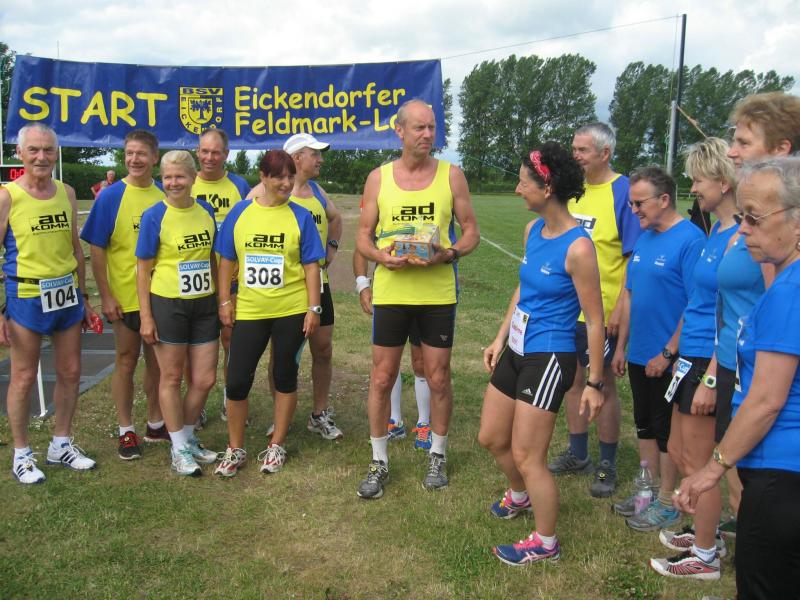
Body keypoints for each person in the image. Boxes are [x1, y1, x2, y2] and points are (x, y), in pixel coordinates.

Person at [675, 157, 800, 599]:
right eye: (742, 216)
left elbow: (766, 400)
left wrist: (712, 469)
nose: (743, 229)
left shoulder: (789, 291)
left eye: (755, 218)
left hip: (780, 473)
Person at [478, 142, 605, 565]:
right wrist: (499, 338)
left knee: (528, 456)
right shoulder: (533, 231)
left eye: (523, 182)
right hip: (517, 347)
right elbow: (524, 288)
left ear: (547, 188)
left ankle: (545, 542)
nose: (517, 189)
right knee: (491, 437)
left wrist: (594, 382)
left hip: (549, 356)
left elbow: (595, 319)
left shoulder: (579, 248)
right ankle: (521, 496)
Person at [354, 98, 480, 499]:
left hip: (437, 294)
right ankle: (378, 460)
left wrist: (450, 253)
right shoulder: (378, 178)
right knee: (381, 377)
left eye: (432, 128)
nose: (427, 135)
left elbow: (471, 231)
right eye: (419, 128)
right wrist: (381, 258)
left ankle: (437, 454)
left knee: (438, 377)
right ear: (400, 131)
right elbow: (363, 236)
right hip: (393, 292)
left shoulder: (451, 175)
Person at [647, 138, 739, 579]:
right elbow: (697, 301)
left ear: (724, 181)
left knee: (703, 463)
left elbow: (736, 314)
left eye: (699, 179)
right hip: (691, 354)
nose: (694, 187)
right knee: (683, 451)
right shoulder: (715, 230)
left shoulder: (740, 236)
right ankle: (709, 532)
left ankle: (704, 556)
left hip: (709, 362)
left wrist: (712, 377)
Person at [711, 91, 800, 539]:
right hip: (739, 363)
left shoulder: (781, 239)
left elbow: (777, 308)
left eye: (744, 142)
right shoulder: (759, 222)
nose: (732, 152)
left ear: (781, 149)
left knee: (757, 500)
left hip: (768, 394)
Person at [213, 150, 324, 477]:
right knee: (237, 380)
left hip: (291, 309)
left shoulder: (301, 216)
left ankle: (276, 445)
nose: (286, 183)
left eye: (290, 176)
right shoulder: (240, 212)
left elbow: (311, 266)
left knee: (285, 375)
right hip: (250, 310)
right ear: (262, 177)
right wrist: (224, 301)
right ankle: (235, 448)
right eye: (278, 177)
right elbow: (226, 260)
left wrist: (313, 307)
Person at [549, 123, 642, 498]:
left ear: (605, 153)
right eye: (574, 149)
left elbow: (634, 255)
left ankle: (607, 463)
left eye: (583, 150)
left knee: (602, 384)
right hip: (566, 310)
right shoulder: (573, 189)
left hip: (601, 312)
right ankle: (578, 453)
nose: (576, 156)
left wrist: (621, 306)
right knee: (572, 380)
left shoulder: (623, 191)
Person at [1, 123, 97, 483]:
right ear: (20, 153)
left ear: (56, 153)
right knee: (24, 375)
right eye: (34, 150)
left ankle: (61, 443)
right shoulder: (7, 196)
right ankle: (22, 454)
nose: (41, 157)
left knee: (70, 372)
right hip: (26, 296)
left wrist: (84, 297)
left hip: (66, 295)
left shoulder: (67, 193)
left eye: (48, 150)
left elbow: (76, 249)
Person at [610, 166, 705, 532]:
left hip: (669, 358)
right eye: (631, 204)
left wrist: (667, 353)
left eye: (639, 203)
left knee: (666, 431)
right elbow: (630, 296)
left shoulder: (691, 240)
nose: (634, 210)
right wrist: (621, 347)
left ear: (664, 199)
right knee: (644, 424)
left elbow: (696, 303)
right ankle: (646, 491)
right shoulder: (645, 238)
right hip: (638, 352)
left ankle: (667, 501)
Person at [247, 133, 343, 440]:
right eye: (315, 154)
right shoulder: (260, 192)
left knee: (323, 349)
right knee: (282, 355)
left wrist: (331, 249)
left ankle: (319, 413)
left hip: (319, 285)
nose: (320, 160)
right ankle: (281, 416)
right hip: (284, 289)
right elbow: (244, 228)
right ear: (297, 158)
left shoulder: (317, 191)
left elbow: (335, 218)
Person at [81, 129, 166, 460]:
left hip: (160, 297)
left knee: (158, 364)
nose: (134, 159)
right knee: (126, 361)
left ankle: (156, 423)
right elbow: (97, 249)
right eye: (129, 153)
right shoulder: (111, 196)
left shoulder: (164, 194)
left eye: (141, 153)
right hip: (125, 297)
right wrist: (106, 295)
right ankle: (126, 430)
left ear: (154, 158)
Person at [135, 150, 220, 476]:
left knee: (205, 379)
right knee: (170, 377)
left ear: (193, 177)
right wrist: (146, 316)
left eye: (180, 176)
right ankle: (179, 447)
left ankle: (185, 437)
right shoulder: (154, 216)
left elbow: (210, 257)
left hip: (204, 304)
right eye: (167, 177)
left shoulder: (206, 210)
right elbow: (143, 270)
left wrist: (220, 298)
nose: (173, 183)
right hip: (168, 303)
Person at [191, 128, 250, 425]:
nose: (209, 157)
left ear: (226, 154)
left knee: (231, 342)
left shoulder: (239, 185)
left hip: (233, 278)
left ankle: (231, 400)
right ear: (197, 152)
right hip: (196, 279)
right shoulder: (185, 182)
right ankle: (197, 404)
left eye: (216, 152)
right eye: (205, 151)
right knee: (196, 346)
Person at [353, 248, 432, 449]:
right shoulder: (375, 223)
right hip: (390, 296)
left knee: (421, 362)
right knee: (387, 365)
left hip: (427, 295)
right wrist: (363, 285)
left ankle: (424, 423)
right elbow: (362, 247)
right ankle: (394, 421)